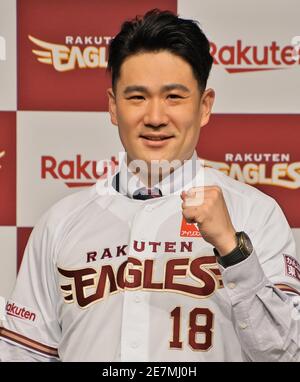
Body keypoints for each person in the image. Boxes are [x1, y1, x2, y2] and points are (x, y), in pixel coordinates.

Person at [0, 9, 300, 362]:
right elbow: (22, 355)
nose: (155, 118)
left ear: (204, 107)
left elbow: (286, 354)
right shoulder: (60, 223)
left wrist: (233, 250)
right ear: (113, 107)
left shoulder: (254, 213)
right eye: (137, 97)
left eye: (174, 97)